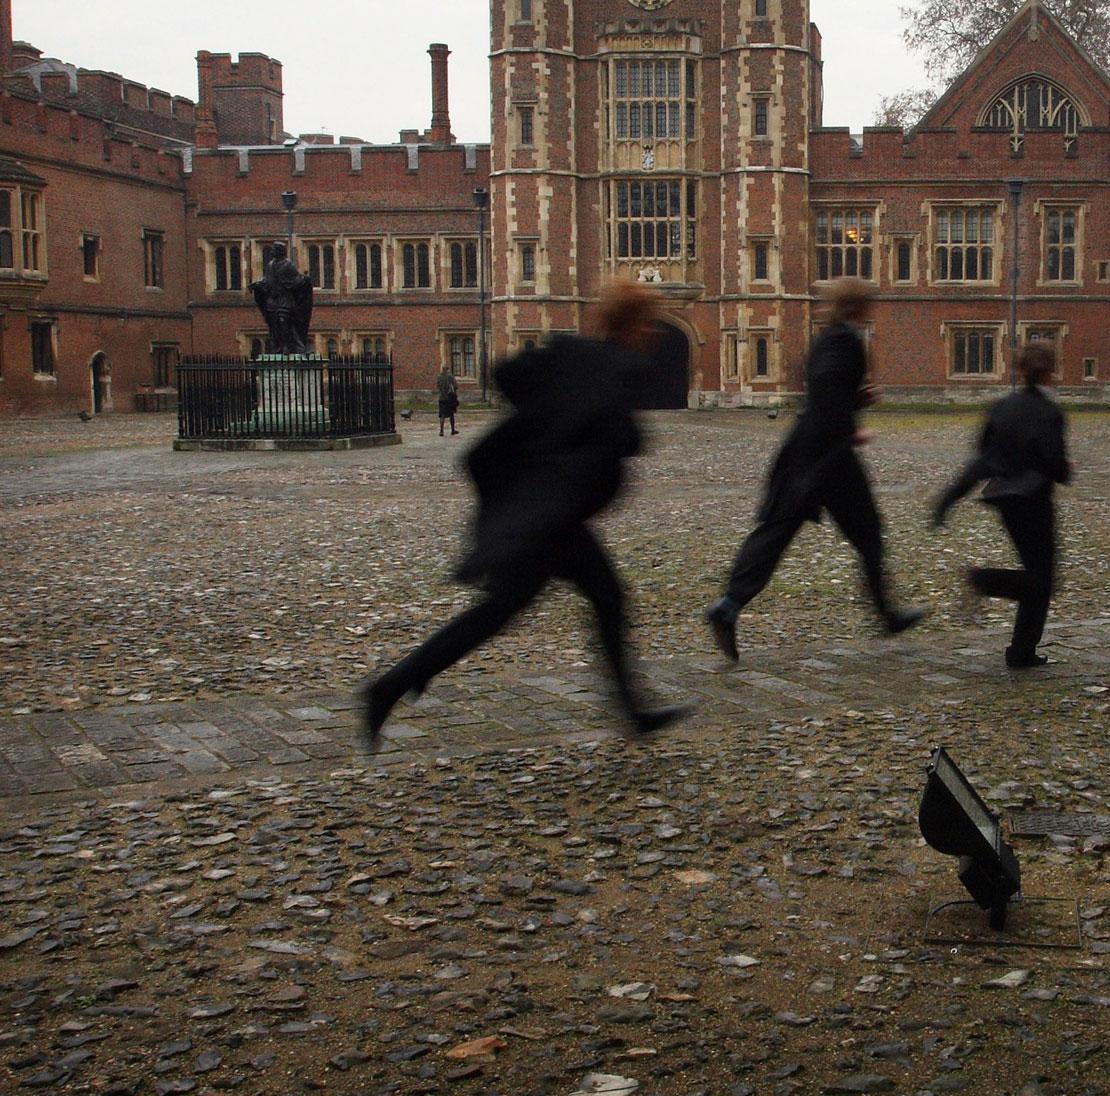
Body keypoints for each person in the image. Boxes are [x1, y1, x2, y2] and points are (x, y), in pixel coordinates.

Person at [358, 280, 687, 748]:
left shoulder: (570, 354)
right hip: (550, 519)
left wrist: (543, 418)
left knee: (524, 607)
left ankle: (391, 686)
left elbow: (509, 374)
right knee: (595, 600)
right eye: (647, 323)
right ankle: (389, 686)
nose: (653, 333)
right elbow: (622, 439)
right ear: (633, 324)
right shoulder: (617, 367)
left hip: (547, 514)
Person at [703, 278, 925, 661]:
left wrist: (855, 400)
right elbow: (825, 390)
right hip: (828, 458)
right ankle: (887, 615)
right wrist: (850, 426)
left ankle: (728, 606)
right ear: (858, 306)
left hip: (809, 452)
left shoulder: (829, 338)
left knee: (777, 533)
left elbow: (829, 388)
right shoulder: (844, 340)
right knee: (864, 533)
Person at [931, 342, 1073, 669]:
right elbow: (1055, 463)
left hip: (1005, 502)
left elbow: (983, 458)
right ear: (1050, 371)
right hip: (1034, 502)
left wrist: (948, 499)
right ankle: (984, 580)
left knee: (1038, 578)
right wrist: (1066, 471)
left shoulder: (1001, 407)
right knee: (1041, 581)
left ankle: (1022, 652)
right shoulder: (1050, 413)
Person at [436, 367, 460, 436]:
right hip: (450, 398)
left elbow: (438, 386)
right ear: (447, 370)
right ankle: (452, 430)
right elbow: (455, 386)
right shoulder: (450, 377)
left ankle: (441, 431)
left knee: (442, 415)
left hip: (441, 398)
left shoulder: (439, 377)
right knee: (451, 414)